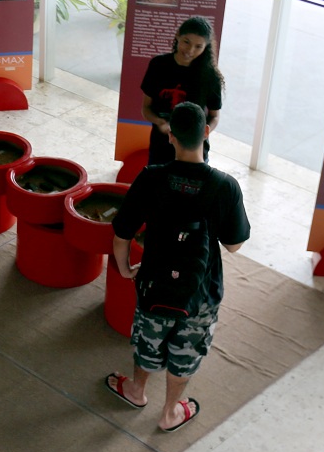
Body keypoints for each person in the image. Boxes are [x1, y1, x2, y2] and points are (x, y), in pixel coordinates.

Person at [103, 102, 249, 432]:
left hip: (154, 282)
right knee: (186, 352)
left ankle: (136, 390)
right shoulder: (225, 186)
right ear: (207, 133)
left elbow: (121, 233)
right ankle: (170, 413)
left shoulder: (152, 177)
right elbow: (235, 244)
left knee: (148, 340)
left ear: (170, 135)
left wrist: (126, 270)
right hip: (201, 293)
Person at [140, 14, 223, 167]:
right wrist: (160, 122)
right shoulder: (158, 65)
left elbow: (215, 116)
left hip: (195, 152)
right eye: (186, 42)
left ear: (206, 47)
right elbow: (146, 108)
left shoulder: (210, 77)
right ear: (178, 35)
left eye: (198, 46)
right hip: (161, 148)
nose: (190, 50)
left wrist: (201, 134)